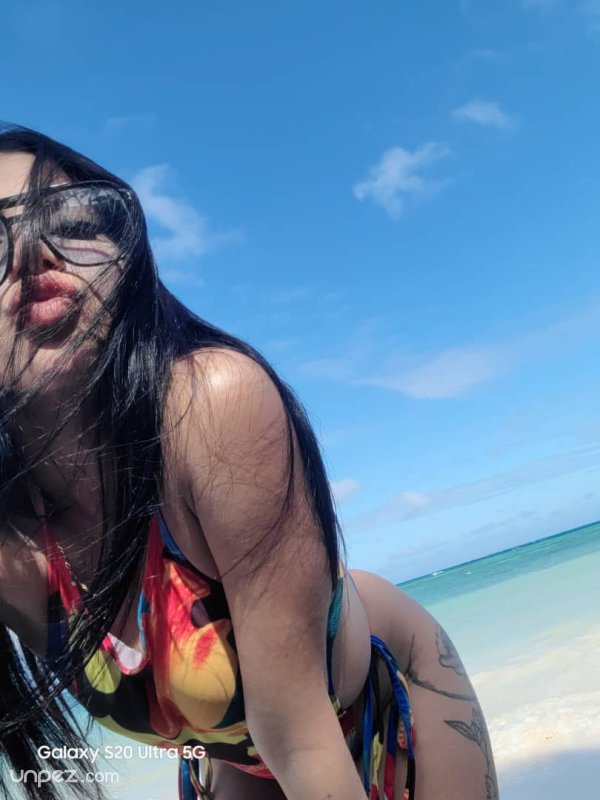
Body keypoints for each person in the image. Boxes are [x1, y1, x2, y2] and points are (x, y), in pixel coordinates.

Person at [0, 123, 499, 800]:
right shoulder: (12, 548)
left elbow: (297, 736)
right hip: (229, 752)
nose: (34, 249)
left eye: (76, 221)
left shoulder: (210, 407)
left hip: (382, 685)